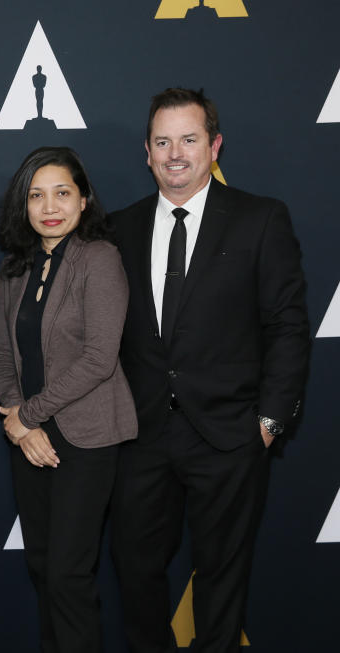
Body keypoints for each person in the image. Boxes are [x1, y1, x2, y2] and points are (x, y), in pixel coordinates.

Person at [109, 88, 310, 653]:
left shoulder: (260, 219)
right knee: (135, 572)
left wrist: (269, 420)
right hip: (140, 436)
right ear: (146, 152)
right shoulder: (117, 228)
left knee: (222, 580)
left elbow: (288, 327)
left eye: (189, 139)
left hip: (230, 436)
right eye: (163, 141)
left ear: (214, 146)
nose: (176, 153)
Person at [0, 146, 138, 653]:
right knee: (41, 567)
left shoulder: (99, 258)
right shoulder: (16, 268)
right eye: (36, 195)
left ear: (83, 199)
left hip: (87, 439)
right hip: (28, 438)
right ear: (23, 205)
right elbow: (1, 354)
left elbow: (100, 358)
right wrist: (20, 420)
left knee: (68, 575)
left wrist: (25, 416)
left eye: (62, 192)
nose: (49, 206)